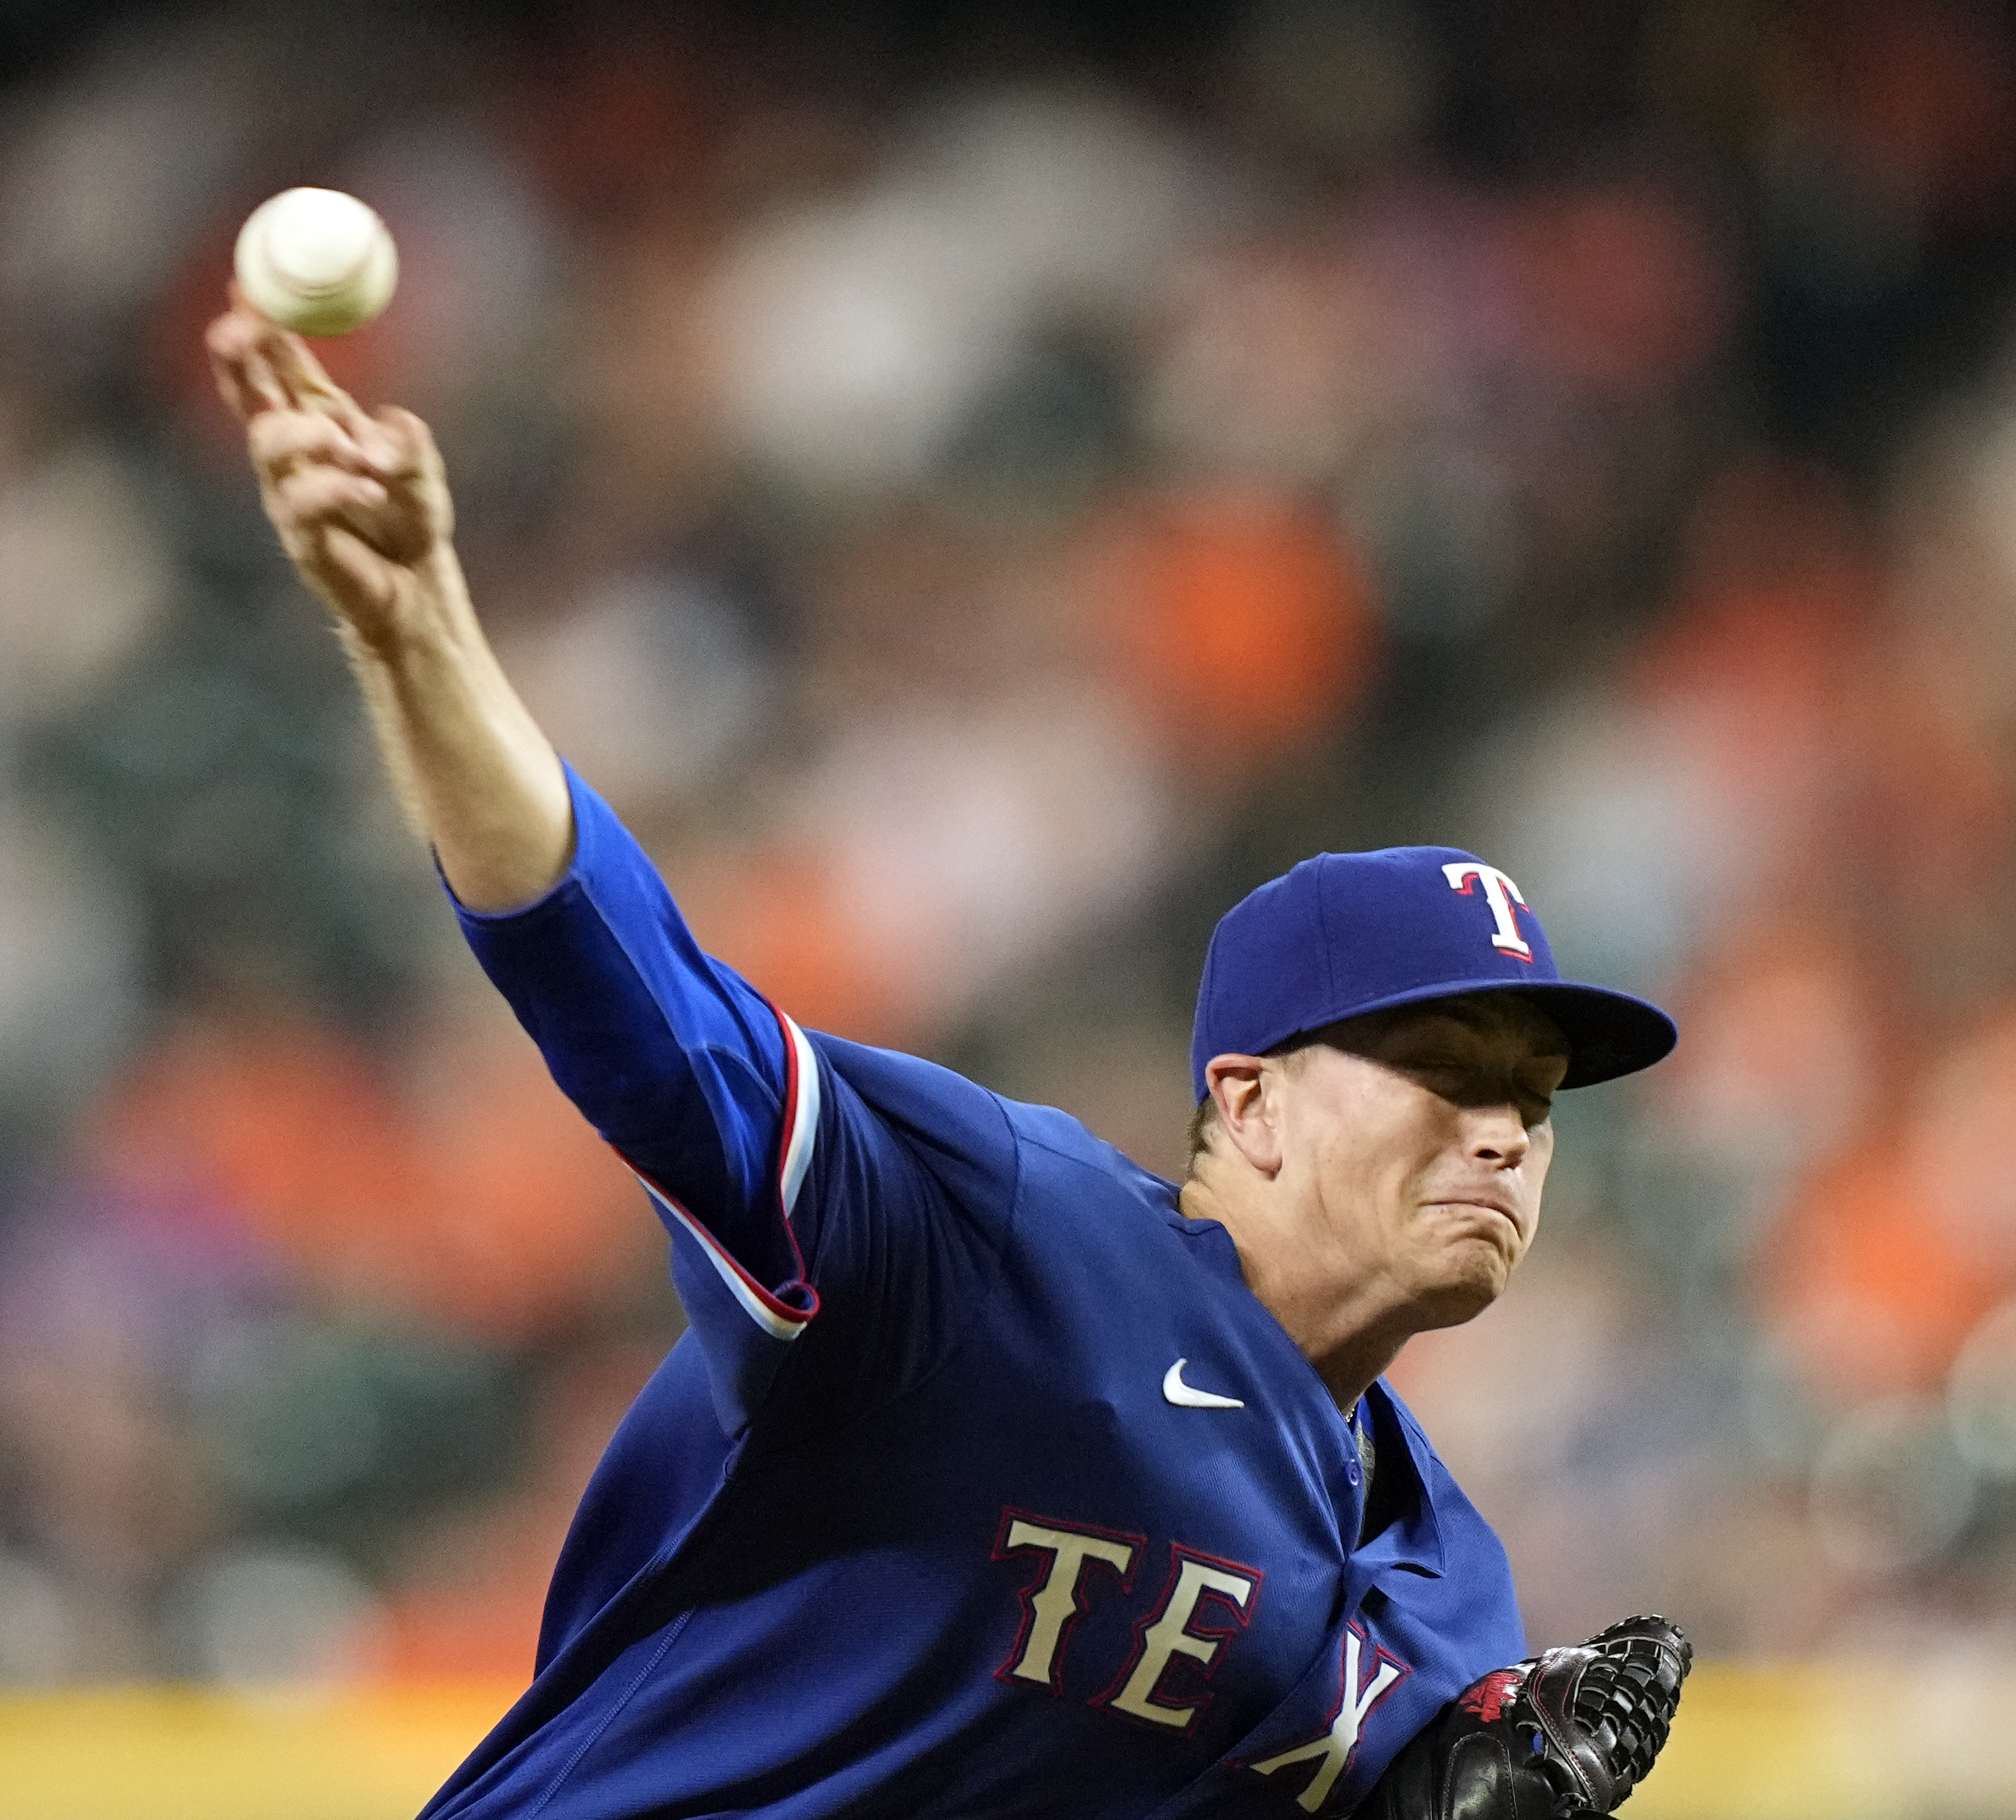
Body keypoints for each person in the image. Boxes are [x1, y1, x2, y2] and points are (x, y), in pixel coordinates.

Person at [207, 305, 1682, 1820]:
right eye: (1443, 1068)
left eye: (1531, 1096)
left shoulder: (1452, 1613)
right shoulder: (996, 1238)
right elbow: (640, 998)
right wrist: (420, 635)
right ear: (1250, 1103)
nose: (1504, 1133)